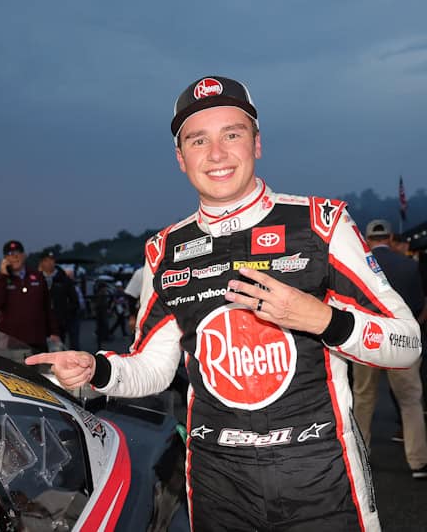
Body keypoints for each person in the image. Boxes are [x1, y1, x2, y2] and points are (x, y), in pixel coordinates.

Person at [26, 75, 421, 531]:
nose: (216, 153)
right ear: (180, 158)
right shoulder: (165, 250)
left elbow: (407, 343)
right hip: (218, 485)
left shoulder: (321, 224)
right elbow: (153, 366)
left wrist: (324, 320)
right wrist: (97, 370)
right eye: (199, 140)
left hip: (320, 479)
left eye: (232, 134)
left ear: (257, 143)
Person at [352, 219, 427, 477]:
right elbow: (420, 304)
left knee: (362, 399)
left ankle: (361, 457)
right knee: (410, 401)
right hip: (401, 339)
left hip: (367, 338)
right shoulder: (408, 265)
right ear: (390, 237)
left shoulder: (358, 265)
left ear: (367, 238)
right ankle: (418, 461)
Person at [0, 240, 60, 352]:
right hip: (11, 341)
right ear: (5, 259)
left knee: (40, 369)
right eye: (11, 255)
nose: (15, 257)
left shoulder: (38, 277)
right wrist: (2, 276)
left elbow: (47, 307)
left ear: (24, 255)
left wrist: (54, 332)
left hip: (37, 339)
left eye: (18, 253)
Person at [38, 251, 79, 347]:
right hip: (41, 322)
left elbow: (74, 301)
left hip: (60, 322)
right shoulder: (36, 278)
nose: (49, 263)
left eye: (51, 260)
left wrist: (64, 313)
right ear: (41, 262)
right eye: (46, 261)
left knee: (58, 348)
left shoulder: (64, 279)